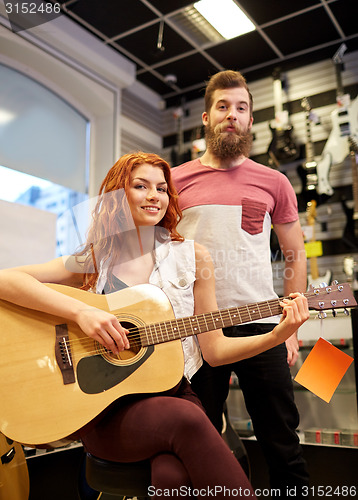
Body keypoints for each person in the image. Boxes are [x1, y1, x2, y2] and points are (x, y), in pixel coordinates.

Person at [0, 152, 309, 499]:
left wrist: (278, 334)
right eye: (141, 186)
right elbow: (5, 281)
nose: (154, 196)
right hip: (106, 408)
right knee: (189, 422)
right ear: (118, 195)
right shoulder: (95, 258)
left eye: (162, 188)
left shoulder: (193, 256)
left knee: (171, 476)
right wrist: (80, 312)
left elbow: (216, 352)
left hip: (175, 393)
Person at [172, 71, 310, 498]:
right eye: (223, 107)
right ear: (207, 117)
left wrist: (292, 327)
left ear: (250, 119)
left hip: (263, 325)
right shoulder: (174, 182)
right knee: (196, 443)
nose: (232, 115)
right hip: (196, 331)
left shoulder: (274, 182)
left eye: (241, 108)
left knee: (282, 442)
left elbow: (295, 254)